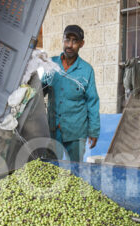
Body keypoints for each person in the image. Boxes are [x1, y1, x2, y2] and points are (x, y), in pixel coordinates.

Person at [42, 25, 100, 162]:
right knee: (50, 168)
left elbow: (92, 102)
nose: (70, 45)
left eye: (75, 41)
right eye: (67, 40)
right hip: (52, 129)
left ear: (81, 44)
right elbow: (40, 90)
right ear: (63, 40)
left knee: (75, 170)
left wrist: (94, 131)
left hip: (76, 131)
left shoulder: (86, 70)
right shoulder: (52, 64)